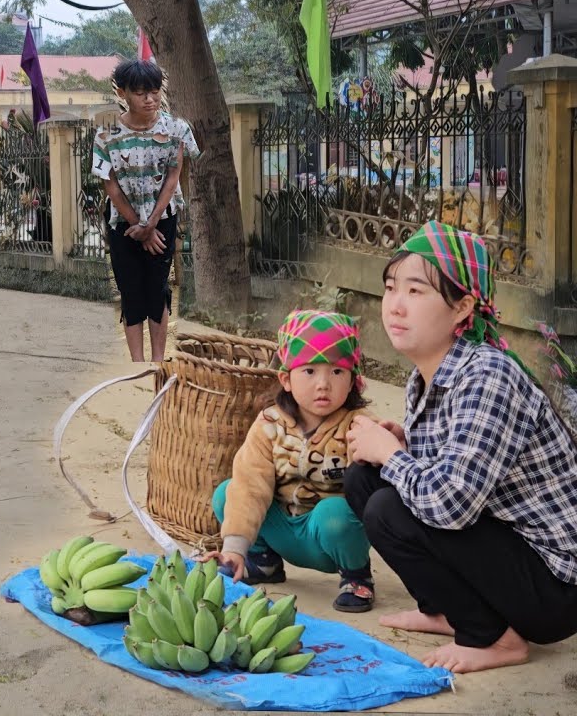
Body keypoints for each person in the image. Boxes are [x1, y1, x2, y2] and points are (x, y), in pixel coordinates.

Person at [345, 221, 577, 673]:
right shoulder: (425, 376)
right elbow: (453, 474)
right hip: (504, 549)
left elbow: (452, 505)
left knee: (387, 508)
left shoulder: (488, 376)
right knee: (363, 479)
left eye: (416, 291)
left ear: (462, 308)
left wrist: (393, 457)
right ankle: (443, 611)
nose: (395, 304)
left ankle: (495, 638)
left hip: (555, 586)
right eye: (392, 287)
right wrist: (401, 448)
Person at [201, 310, 377, 612]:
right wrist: (233, 550)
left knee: (335, 512)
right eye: (309, 371)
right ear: (286, 379)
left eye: (336, 372)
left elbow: (373, 485)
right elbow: (250, 485)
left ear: (352, 382)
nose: (323, 384)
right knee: (230, 491)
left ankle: (357, 577)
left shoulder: (357, 425)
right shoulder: (269, 424)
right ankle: (263, 561)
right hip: (281, 529)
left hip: (327, 539)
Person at [91, 59, 199, 362]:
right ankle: (136, 364)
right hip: (122, 224)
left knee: (158, 287)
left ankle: (157, 362)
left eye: (154, 91)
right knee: (131, 289)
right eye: (141, 93)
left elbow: (173, 177)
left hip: (161, 221)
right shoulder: (106, 134)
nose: (150, 99)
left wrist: (150, 224)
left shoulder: (176, 129)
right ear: (123, 93)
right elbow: (109, 184)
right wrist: (137, 225)